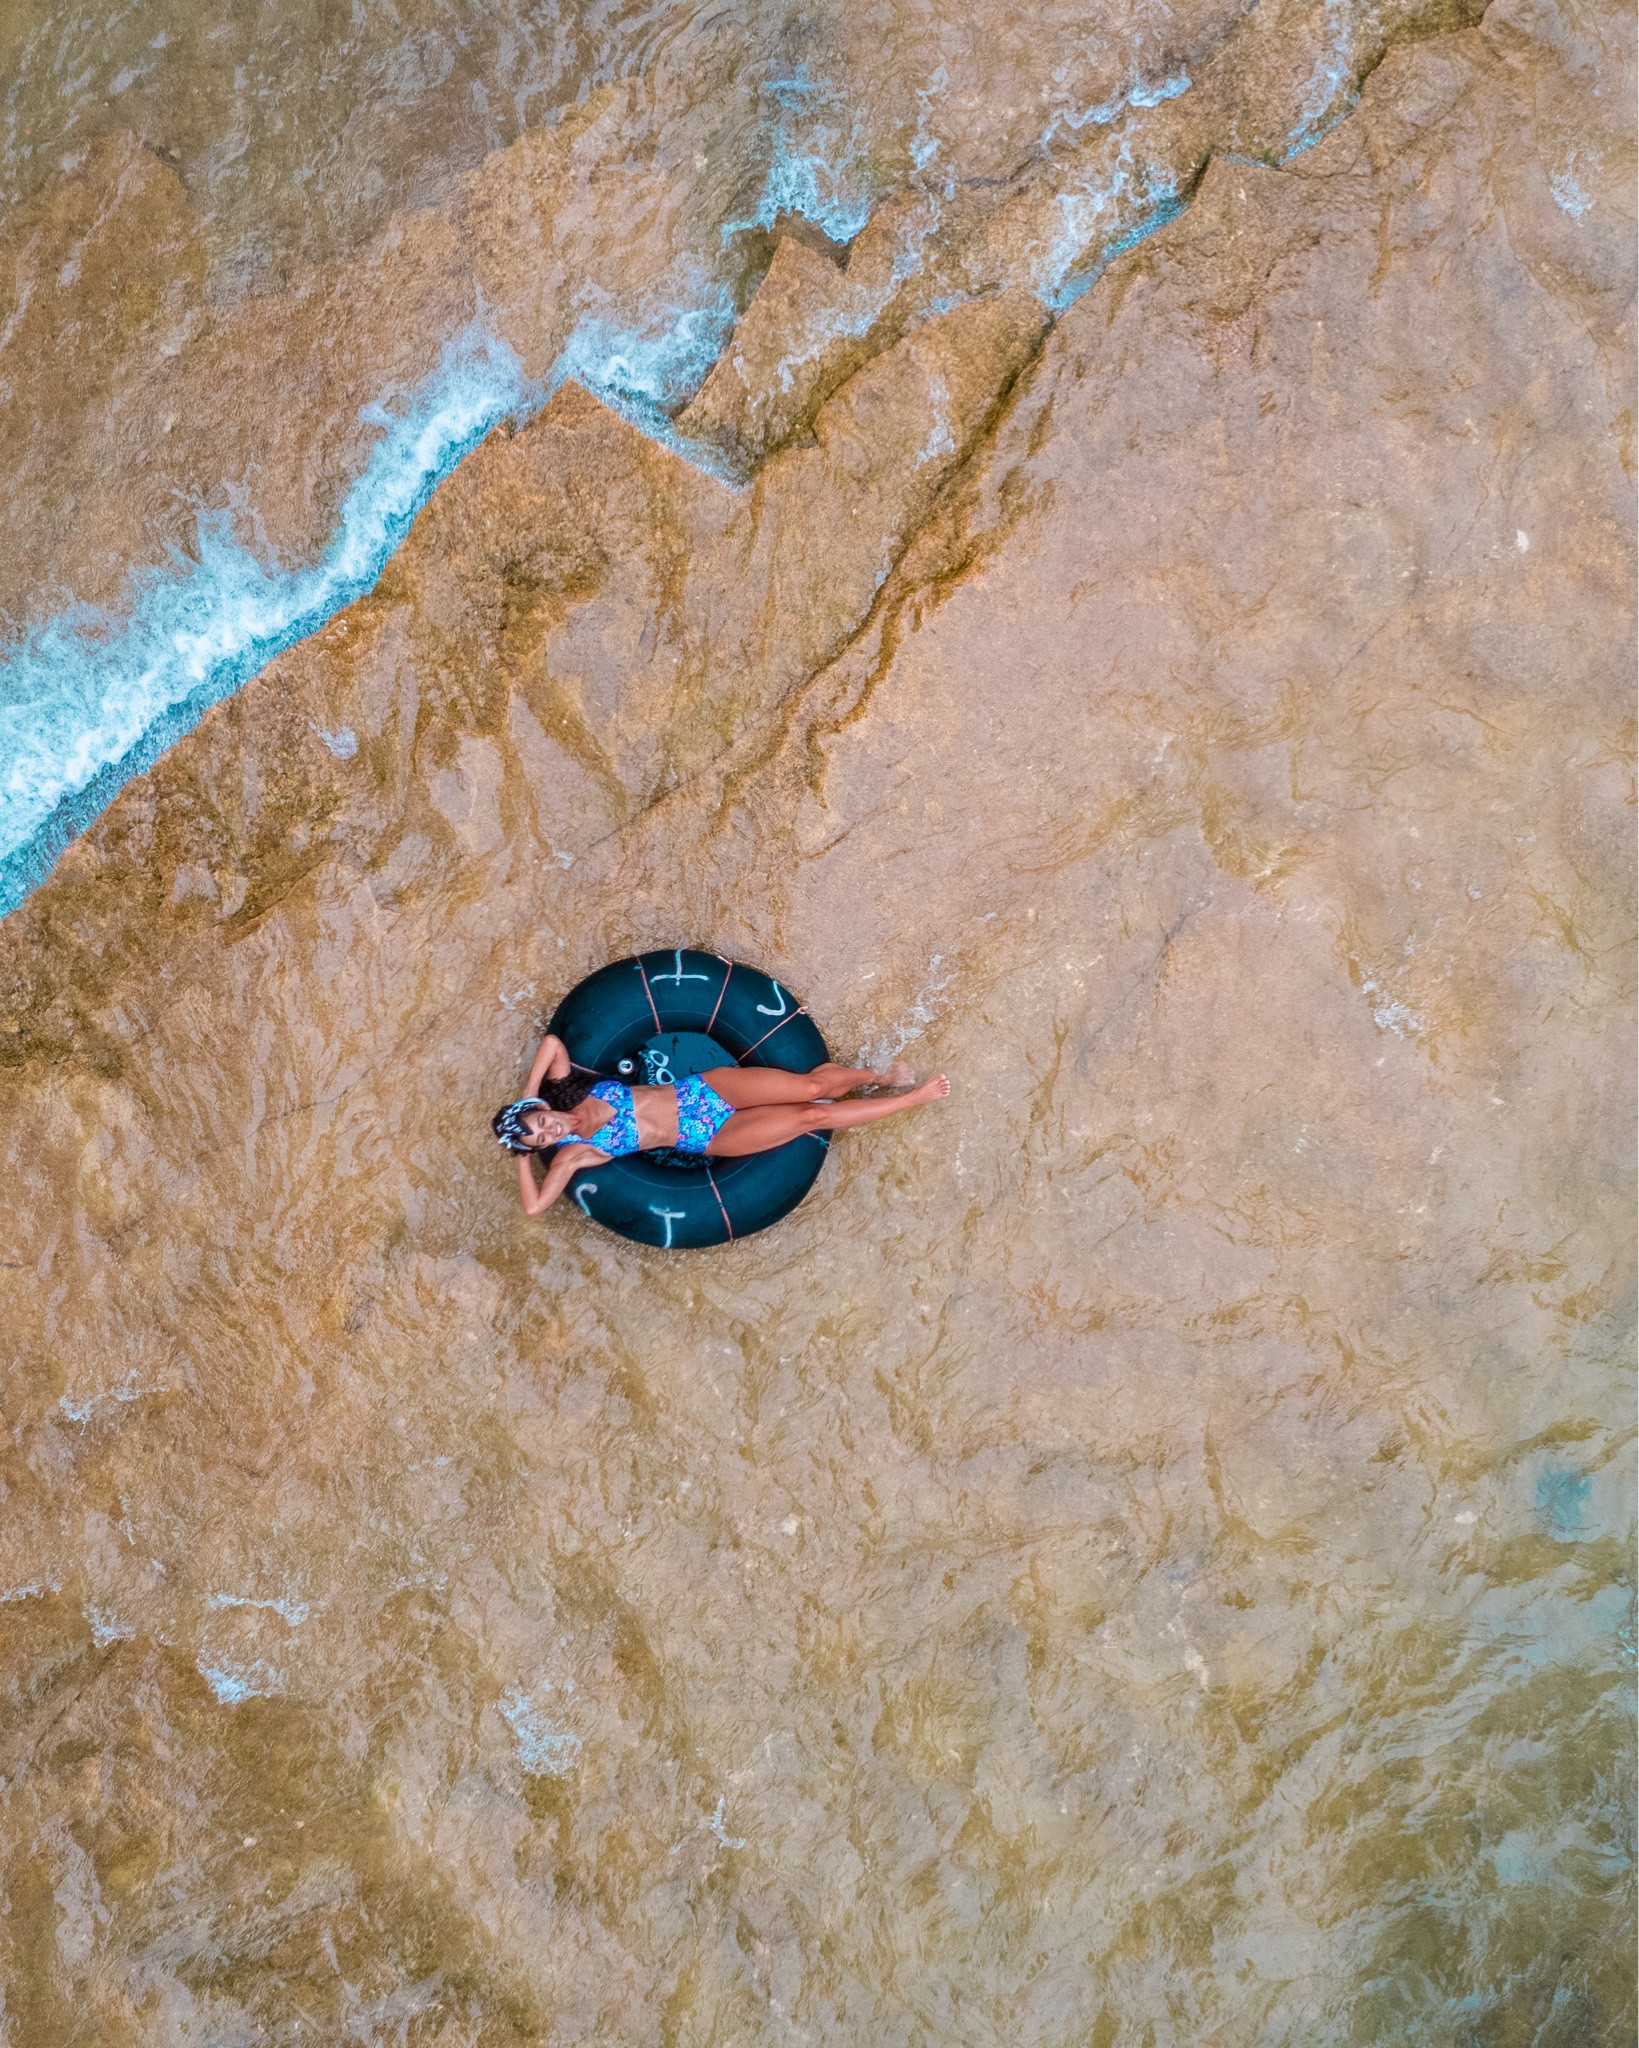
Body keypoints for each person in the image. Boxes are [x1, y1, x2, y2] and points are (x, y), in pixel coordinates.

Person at [493, 1031, 950, 1216]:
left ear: (540, 1109)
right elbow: (534, 1207)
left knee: (810, 1088)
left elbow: (552, 1043)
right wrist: (523, 1154)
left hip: (705, 1091)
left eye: (540, 1122)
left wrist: (530, 1093)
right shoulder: (572, 1155)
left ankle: (877, 1076)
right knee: (814, 1116)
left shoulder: (567, 1088)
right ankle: (912, 1098)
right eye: (541, 1138)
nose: (551, 1130)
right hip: (705, 1136)